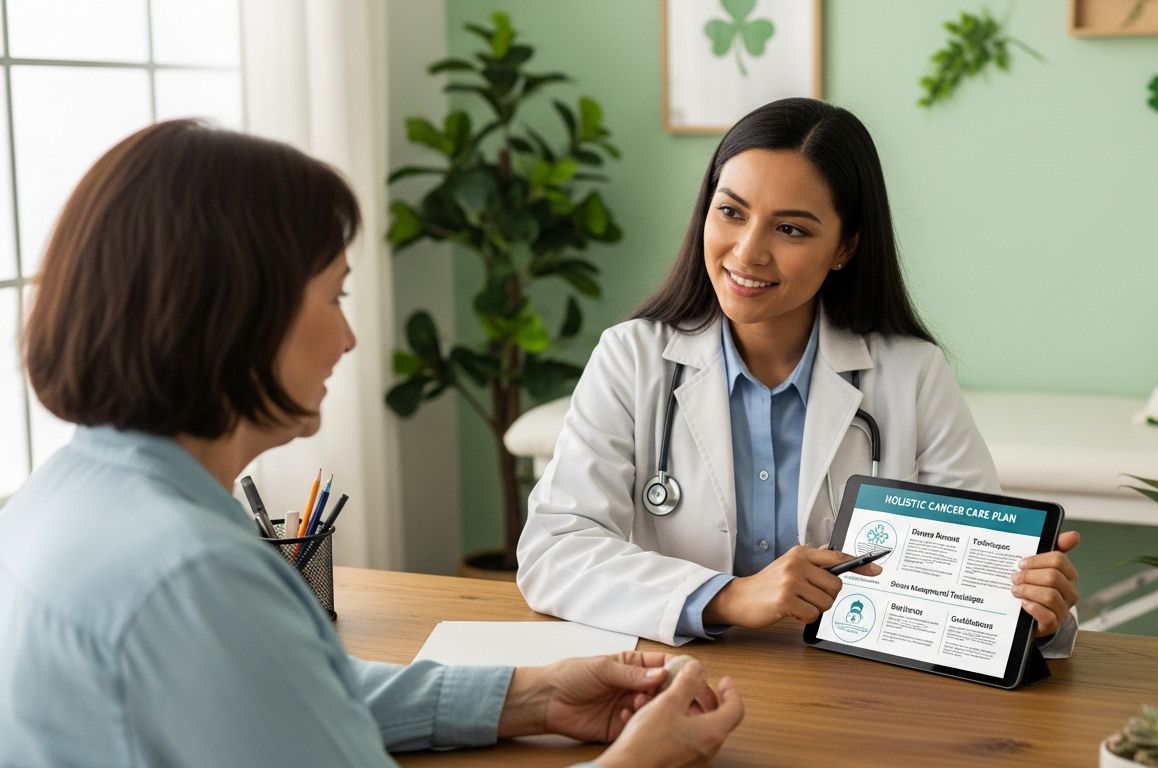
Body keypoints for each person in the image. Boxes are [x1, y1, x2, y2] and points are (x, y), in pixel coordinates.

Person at [0, 120, 742, 767]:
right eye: (335, 295)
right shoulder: (194, 574)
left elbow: (284, 696)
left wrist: (534, 697)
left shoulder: (63, 496)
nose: (349, 338)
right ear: (234, 315)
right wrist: (638, 760)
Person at [517, 98, 1081, 653]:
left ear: (845, 247)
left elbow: (985, 578)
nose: (748, 252)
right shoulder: (633, 357)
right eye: (731, 212)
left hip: (847, 690)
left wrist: (1036, 612)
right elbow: (554, 551)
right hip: (675, 679)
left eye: (790, 229)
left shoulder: (912, 375)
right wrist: (728, 597)